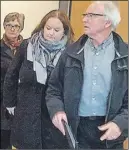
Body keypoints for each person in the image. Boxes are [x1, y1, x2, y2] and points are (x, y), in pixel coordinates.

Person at [46, 1, 128, 149]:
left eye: (91, 15)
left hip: (111, 133)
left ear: (107, 21)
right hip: (77, 131)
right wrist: (56, 110)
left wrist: (121, 123)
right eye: (85, 15)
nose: (84, 19)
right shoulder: (70, 52)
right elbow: (53, 89)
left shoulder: (125, 55)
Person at [3, 9, 74, 149]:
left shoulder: (70, 52)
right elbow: (12, 75)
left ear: (64, 32)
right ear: (42, 26)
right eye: (48, 28)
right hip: (26, 114)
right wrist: (10, 104)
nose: (51, 32)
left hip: (54, 116)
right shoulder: (27, 46)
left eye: (56, 29)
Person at [0, 12, 25, 149]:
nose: (12, 28)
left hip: (22, 102)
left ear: (21, 28)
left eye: (16, 25)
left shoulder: (28, 48)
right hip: (2, 103)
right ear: (4, 26)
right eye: (9, 25)